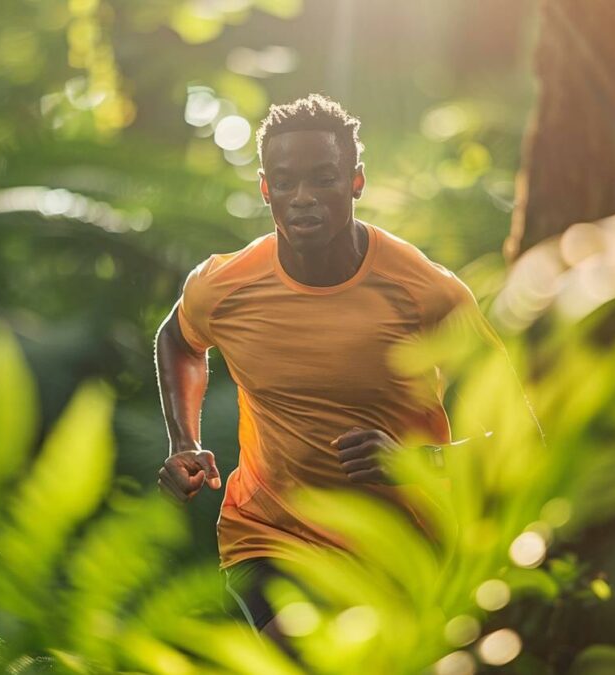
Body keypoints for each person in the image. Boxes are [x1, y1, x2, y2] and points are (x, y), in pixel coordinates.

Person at [154, 94, 501, 649]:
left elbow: (519, 433)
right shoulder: (227, 286)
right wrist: (183, 440)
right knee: (302, 654)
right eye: (286, 183)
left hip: (405, 545)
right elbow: (178, 337)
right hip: (269, 536)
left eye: (324, 179)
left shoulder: (424, 291)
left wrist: (418, 462)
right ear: (266, 188)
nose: (303, 199)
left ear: (356, 182)